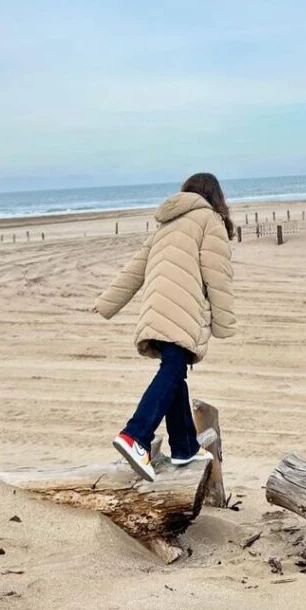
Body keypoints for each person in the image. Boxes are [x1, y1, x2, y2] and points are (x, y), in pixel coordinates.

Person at [94, 173, 237, 481]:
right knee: (171, 371)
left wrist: (107, 303)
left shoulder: (167, 223)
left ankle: (184, 447)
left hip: (156, 306)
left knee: (175, 373)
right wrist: (224, 324)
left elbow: (136, 268)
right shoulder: (209, 220)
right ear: (216, 195)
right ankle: (136, 435)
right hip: (182, 307)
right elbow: (217, 276)